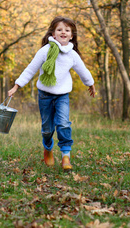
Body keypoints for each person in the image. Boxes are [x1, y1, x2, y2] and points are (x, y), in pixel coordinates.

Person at [8, 16, 96, 171]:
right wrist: (17, 85)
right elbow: (30, 69)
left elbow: (83, 70)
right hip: (45, 95)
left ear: (72, 35)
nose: (63, 32)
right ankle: (48, 149)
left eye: (67, 30)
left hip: (62, 96)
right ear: (53, 34)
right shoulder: (45, 51)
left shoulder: (72, 54)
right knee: (47, 128)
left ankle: (65, 156)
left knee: (63, 124)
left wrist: (90, 84)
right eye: (59, 29)